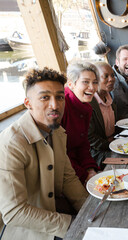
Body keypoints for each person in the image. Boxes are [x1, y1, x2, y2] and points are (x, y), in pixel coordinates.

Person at [0, 68, 88, 240]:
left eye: (60, 97)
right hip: (27, 232)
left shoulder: (58, 133)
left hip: (54, 214)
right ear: (28, 103)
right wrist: (72, 224)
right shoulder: (11, 143)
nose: (54, 105)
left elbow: (67, 178)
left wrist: (90, 212)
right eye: (44, 97)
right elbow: (13, 212)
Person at [61, 62, 100, 184]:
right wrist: (84, 175)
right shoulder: (61, 106)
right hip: (61, 169)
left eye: (94, 82)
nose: (92, 87)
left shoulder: (86, 108)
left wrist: (90, 169)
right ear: (71, 84)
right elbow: (59, 153)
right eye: (86, 82)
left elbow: (83, 145)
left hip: (77, 165)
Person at [89, 62, 118, 168]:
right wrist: (115, 145)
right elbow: (90, 139)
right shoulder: (89, 103)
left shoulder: (110, 98)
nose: (111, 79)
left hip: (112, 145)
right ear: (95, 80)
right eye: (105, 76)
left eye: (112, 75)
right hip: (98, 153)